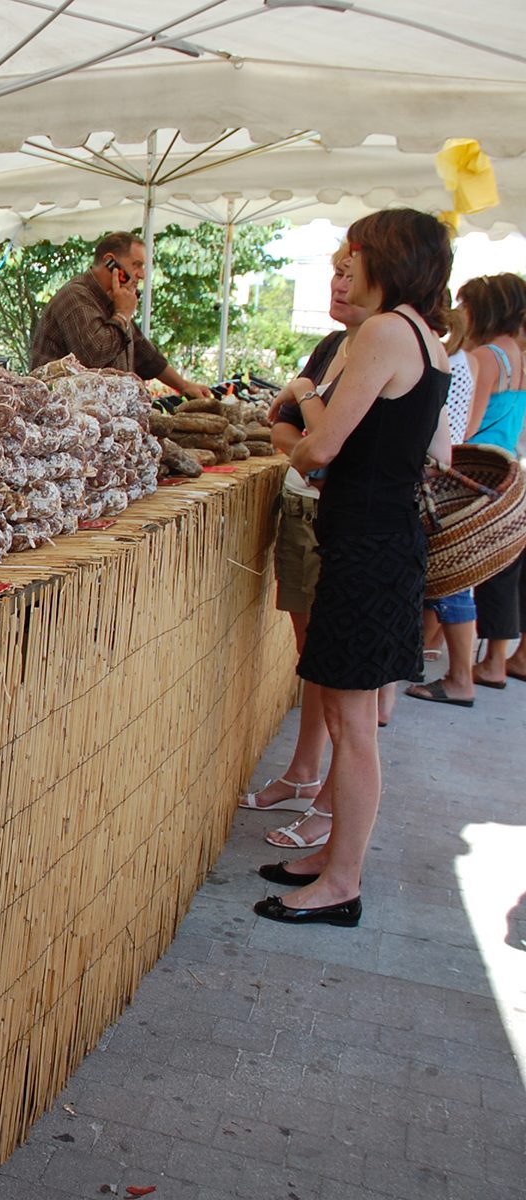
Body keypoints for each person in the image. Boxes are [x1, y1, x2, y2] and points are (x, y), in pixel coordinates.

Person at [254, 209, 453, 928]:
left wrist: (300, 399)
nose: (342, 266)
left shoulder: (383, 332)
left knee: (352, 720)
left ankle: (342, 883)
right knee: (351, 714)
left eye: (351, 255)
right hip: (382, 542)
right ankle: (330, 857)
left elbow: (319, 449)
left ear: (383, 257)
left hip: (368, 548)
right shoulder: (426, 339)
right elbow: (436, 453)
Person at [239, 244, 374, 855]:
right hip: (307, 508)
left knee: (339, 675)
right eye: (336, 270)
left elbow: (320, 442)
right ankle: (305, 773)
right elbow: (281, 423)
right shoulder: (332, 346)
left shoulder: (384, 347)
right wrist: (298, 421)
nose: (337, 282)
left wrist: (303, 403)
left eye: (350, 271)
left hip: (342, 523)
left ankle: (326, 806)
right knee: (310, 654)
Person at [29, 232, 213, 398]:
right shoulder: (76, 296)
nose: (141, 275)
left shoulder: (113, 301)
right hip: (64, 420)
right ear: (111, 262)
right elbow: (95, 355)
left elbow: (146, 355)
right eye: (137, 265)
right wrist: (123, 314)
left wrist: (184, 385)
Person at [406, 305, 481, 707]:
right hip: (462, 470)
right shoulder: (464, 359)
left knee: (450, 580)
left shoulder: (434, 356)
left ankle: (459, 678)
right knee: (455, 580)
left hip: (443, 479)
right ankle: (449, 668)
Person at [456, 273, 526, 688]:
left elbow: (467, 424)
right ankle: (495, 659)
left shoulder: (485, 357)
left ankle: (479, 668)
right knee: (503, 567)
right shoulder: (517, 355)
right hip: (508, 471)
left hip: (476, 472)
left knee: (459, 574)